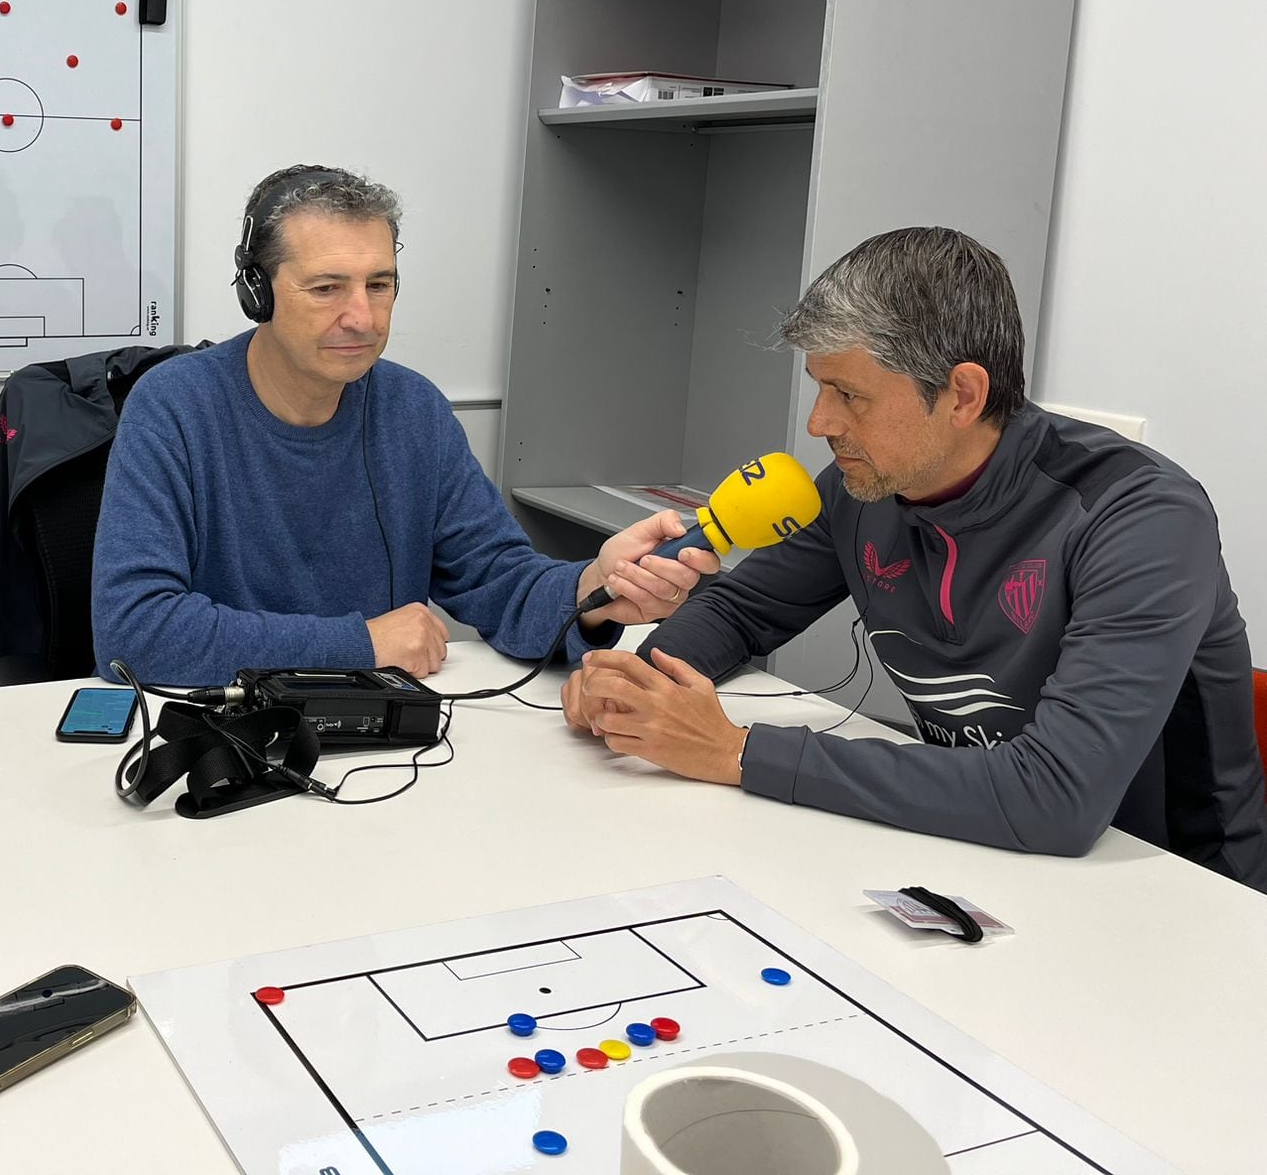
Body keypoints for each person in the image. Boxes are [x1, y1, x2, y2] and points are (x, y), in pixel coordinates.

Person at [564, 227, 1267, 889]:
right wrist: (633, 687)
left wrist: (736, 752)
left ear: (962, 394)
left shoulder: (1141, 515)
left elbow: (1059, 796)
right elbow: (741, 608)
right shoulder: (861, 484)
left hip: (1166, 892)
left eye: (850, 395)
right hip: (974, 849)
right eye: (819, 386)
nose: (819, 422)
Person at [91, 165, 717, 689]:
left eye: (379, 284)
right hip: (225, 738)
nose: (361, 317)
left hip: (382, 738)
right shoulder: (173, 407)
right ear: (258, 292)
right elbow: (135, 634)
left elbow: (499, 583)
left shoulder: (412, 409)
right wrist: (360, 642)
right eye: (327, 288)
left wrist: (593, 587)